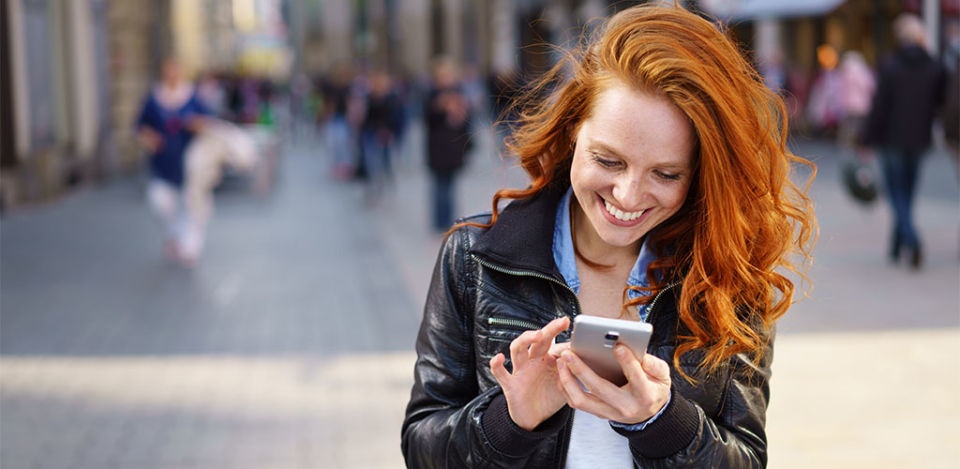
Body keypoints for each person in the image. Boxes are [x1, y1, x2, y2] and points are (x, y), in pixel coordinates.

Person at [401, 4, 816, 468]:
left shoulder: (730, 275)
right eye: (609, 161)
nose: (628, 195)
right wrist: (510, 420)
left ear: (701, 171)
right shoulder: (474, 259)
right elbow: (422, 446)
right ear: (575, 128)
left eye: (665, 173)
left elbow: (746, 459)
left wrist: (662, 421)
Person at [861, 13, 947, 269]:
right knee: (907, 193)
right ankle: (897, 245)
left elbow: (879, 107)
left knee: (897, 194)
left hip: (891, 139)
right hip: (919, 138)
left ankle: (911, 238)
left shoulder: (890, 66)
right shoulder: (935, 66)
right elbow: (940, 103)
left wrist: (867, 139)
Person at [135, 58, 211, 265]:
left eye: (175, 71)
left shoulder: (192, 97)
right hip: (162, 162)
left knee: (193, 206)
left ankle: (190, 246)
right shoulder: (154, 98)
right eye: (167, 71)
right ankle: (176, 235)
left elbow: (209, 122)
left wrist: (197, 125)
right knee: (160, 203)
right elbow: (140, 126)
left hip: (190, 162)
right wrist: (148, 138)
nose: (171, 75)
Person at [424, 58, 472, 232]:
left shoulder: (459, 93)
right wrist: (439, 107)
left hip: (453, 149)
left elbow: (465, 123)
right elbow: (427, 120)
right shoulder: (431, 95)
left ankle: (450, 220)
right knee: (439, 187)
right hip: (438, 149)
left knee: (451, 187)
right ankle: (440, 221)